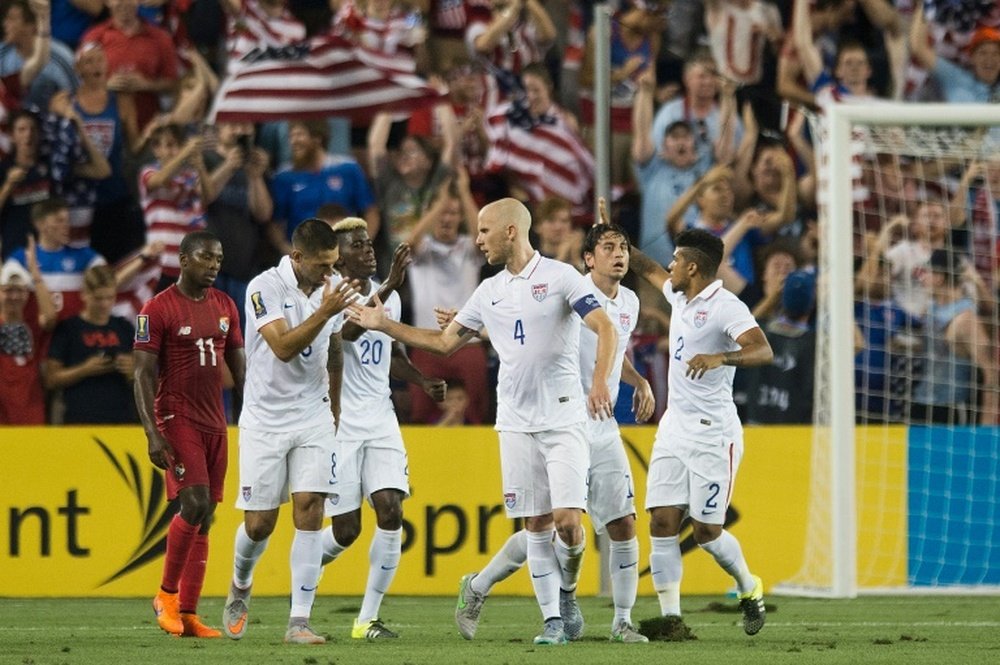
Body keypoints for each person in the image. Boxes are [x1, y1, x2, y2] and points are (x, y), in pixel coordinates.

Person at [348, 197, 619, 645]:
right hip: (514, 421)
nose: (477, 240)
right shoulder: (488, 290)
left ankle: (566, 592)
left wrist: (599, 384)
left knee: (570, 523)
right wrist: (383, 324)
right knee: (535, 524)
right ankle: (552, 620)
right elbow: (441, 343)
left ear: (511, 231)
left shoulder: (560, 276)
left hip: (565, 414)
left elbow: (605, 327)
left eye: (484, 231)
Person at [453, 220, 656, 643]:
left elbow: (613, 350)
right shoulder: (565, 289)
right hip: (560, 419)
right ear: (589, 258)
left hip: (601, 425)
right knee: (550, 524)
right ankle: (519, 592)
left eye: (624, 247)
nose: (619, 255)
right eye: (608, 247)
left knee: (622, 523)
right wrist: (475, 328)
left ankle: (621, 621)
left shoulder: (631, 302)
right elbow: (525, 336)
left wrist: (637, 381)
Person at [627, 228, 773, 636]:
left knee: (708, 533)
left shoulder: (727, 307)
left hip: (713, 435)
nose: (669, 266)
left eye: (676, 260)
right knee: (661, 521)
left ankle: (748, 587)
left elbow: (763, 349)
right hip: (674, 428)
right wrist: (617, 238)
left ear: (692, 267)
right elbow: (647, 267)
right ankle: (671, 618)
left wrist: (720, 358)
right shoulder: (679, 295)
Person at [222, 218, 360, 645]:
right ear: (296, 257)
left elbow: (335, 347)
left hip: (313, 415)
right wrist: (324, 311)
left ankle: (299, 621)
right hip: (264, 419)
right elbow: (282, 348)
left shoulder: (330, 288)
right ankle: (240, 584)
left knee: (310, 508)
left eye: (334, 264)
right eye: (322, 265)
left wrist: (334, 406)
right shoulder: (263, 287)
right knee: (261, 523)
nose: (330, 273)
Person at [318, 219, 446, 640]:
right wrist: (389, 283)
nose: (368, 249)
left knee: (392, 510)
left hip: (381, 418)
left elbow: (388, 348)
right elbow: (350, 332)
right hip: (340, 423)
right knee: (346, 532)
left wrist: (420, 379)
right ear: (339, 255)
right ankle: (306, 563)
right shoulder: (332, 294)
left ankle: (366, 620)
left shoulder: (386, 298)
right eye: (357, 244)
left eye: (368, 241)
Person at [133, 230, 246, 638]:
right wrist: (152, 432)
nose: (214, 265)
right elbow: (142, 374)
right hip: (176, 417)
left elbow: (239, 364)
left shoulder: (225, 305)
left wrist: (249, 414)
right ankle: (166, 595)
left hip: (215, 420)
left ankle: (189, 614)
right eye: (205, 257)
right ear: (182, 259)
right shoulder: (157, 308)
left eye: (218, 258)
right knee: (194, 502)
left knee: (207, 516)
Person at [44, 264, 136, 423]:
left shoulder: (124, 327)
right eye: (98, 298)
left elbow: (146, 377)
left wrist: (133, 370)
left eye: (110, 297)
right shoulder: (68, 329)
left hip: (121, 420)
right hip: (79, 420)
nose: (104, 304)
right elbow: (51, 379)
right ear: (84, 294)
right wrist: (85, 369)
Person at [0, 239, 55, 423]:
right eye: (8, 290)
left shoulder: (32, 324)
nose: (14, 296)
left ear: (26, 294)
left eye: (19, 291)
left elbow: (49, 318)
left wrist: (35, 275)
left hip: (30, 407)